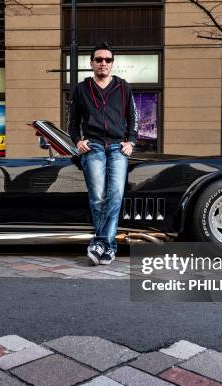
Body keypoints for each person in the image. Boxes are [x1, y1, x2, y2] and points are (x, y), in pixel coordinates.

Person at [68, 42, 138, 265]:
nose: (103, 63)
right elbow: (72, 123)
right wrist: (78, 141)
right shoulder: (81, 89)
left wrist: (131, 142)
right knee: (98, 197)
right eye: (99, 60)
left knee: (115, 196)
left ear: (112, 63)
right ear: (91, 63)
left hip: (118, 147)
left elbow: (133, 118)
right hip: (94, 147)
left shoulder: (123, 87)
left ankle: (100, 243)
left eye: (108, 60)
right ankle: (108, 247)